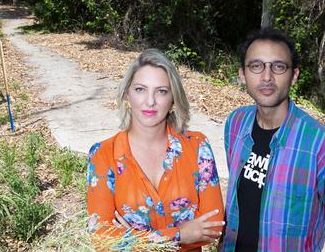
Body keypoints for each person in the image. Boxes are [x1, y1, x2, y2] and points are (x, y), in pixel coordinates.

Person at [221, 28, 325, 251]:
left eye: (278, 66)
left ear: (294, 75)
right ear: (243, 74)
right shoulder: (236, 124)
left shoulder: (322, 146)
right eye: (256, 66)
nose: (267, 76)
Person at [87, 48, 225, 251]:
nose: (150, 101)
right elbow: (102, 238)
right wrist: (180, 234)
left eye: (161, 91)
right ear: (127, 94)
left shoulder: (197, 148)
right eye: (140, 89)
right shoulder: (103, 154)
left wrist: (133, 239)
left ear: (172, 100)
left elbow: (213, 227)